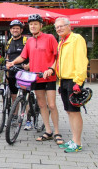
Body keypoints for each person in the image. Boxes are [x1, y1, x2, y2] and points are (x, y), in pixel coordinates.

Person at [7, 14, 63, 145]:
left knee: (52, 105)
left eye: (35, 24)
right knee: (42, 105)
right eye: (31, 24)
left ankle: (57, 132)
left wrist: (51, 68)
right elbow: (22, 56)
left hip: (49, 77)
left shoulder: (49, 38)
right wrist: (12, 63)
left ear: (41, 25)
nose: (33, 26)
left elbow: (57, 56)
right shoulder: (29, 41)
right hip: (36, 77)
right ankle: (48, 131)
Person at [53, 17, 88, 153]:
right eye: (57, 27)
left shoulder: (76, 39)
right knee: (69, 111)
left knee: (74, 112)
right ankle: (73, 140)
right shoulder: (61, 42)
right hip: (64, 80)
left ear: (69, 26)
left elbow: (81, 60)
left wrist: (78, 82)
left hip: (74, 80)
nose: (59, 29)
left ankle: (77, 142)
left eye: (62, 26)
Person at [5, 20, 31, 130]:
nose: (15, 30)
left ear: (21, 30)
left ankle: (28, 120)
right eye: (13, 28)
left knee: (25, 96)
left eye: (17, 28)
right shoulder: (9, 42)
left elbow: (32, 55)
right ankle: (14, 116)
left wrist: (29, 65)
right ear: (10, 30)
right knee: (14, 96)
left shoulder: (26, 41)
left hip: (24, 71)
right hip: (12, 71)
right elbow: (7, 57)